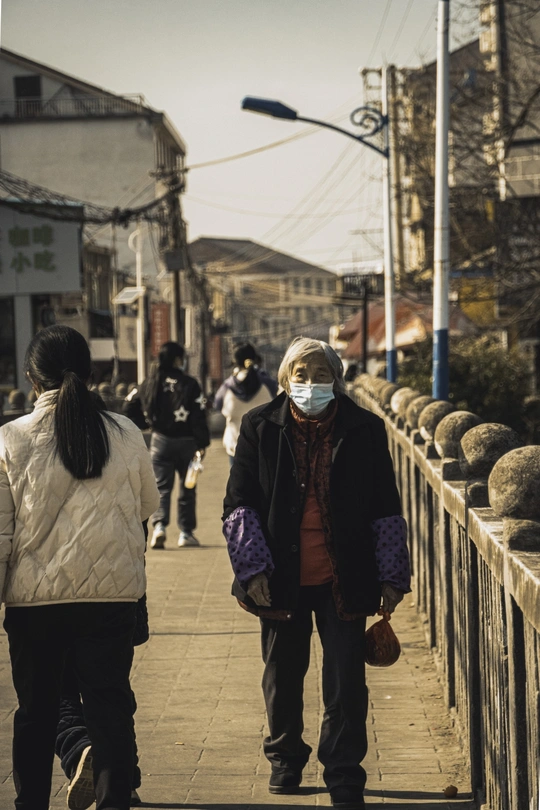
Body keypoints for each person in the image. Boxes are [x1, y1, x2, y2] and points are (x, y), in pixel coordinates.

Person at [222, 337, 410, 810]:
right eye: (301, 375)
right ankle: (285, 759)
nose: (310, 384)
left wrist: (392, 574)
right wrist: (252, 569)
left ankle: (343, 772)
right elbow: (239, 503)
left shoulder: (365, 428)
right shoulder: (259, 426)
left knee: (345, 679)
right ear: (285, 380)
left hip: (344, 574)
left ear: (336, 380)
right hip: (277, 575)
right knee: (282, 675)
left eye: (321, 374)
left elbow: (385, 505)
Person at [0, 325, 160, 810]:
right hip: (111, 597)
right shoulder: (125, 432)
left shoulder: (11, 438)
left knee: (36, 714)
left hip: (34, 604)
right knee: (110, 710)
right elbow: (147, 505)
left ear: (32, 379)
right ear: (90, 374)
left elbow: (2, 533)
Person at [122, 341, 210, 550]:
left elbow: (128, 405)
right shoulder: (190, 384)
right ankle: (186, 533)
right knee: (188, 487)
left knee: (161, 487)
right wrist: (202, 443)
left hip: (160, 442)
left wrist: (147, 424)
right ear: (178, 359)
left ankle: (159, 527)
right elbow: (199, 415)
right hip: (188, 443)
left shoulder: (150, 382)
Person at [213, 343, 277, 463]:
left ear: (234, 361)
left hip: (235, 444)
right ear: (255, 359)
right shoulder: (268, 383)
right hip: (264, 444)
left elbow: (217, 405)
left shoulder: (227, 386)